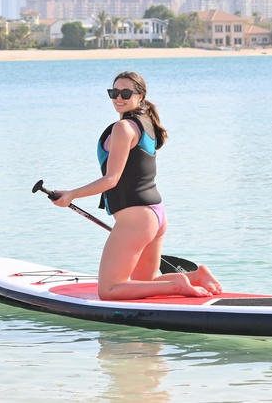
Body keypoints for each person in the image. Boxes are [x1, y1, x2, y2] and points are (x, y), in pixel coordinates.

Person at [50, 71, 221, 301]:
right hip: (156, 215)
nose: (118, 97)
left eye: (126, 92)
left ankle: (176, 284)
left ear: (140, 96)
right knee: (145, 283)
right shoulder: (147, 124)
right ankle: (196, 276)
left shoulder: (123, 128)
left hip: (137, 219)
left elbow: (111, 179)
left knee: (108, 291)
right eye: (114, 92)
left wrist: (71, 195)